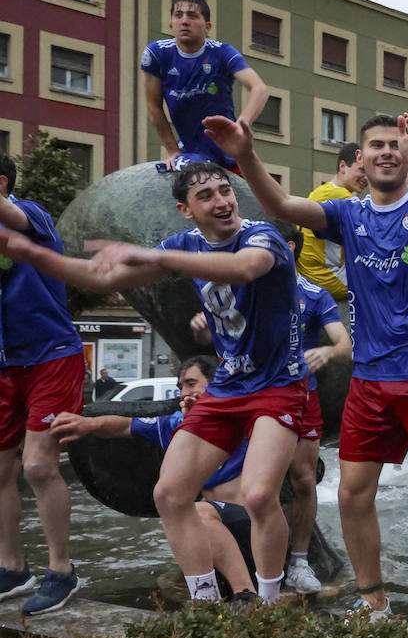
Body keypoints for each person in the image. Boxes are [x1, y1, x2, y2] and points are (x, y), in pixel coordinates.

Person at [208, 112, 408, 638]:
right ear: (359, 158)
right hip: (372, 378)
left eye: (394, 146)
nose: (385, 153)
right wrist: (245, 155)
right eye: (375, 146)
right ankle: (374, 600)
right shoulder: (347, 215)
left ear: (407, 155)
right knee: (353, 494)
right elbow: (282, 207)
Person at [0, 161, 306, 605]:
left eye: (225, 190)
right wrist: (37, 256)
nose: (222, 201)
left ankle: (271, 601)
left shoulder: (261, 235)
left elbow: (243, 268)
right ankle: (205, 601)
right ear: (186, 209)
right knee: (169, 492)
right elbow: (106, 278)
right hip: (228, 387)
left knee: (259, 495)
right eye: (207, 196)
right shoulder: (185, 243)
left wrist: (156, 256)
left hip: (278, 384)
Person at [190, 228, 352, 594]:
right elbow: (214, 335)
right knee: (246, 483)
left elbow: (345, 344)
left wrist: (327, 352)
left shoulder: (313, 293)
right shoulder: (242, 290)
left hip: (300, 396)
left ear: (289, 249)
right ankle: (243, 565)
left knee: (303, 480)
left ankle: (298, 561)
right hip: (247, 394)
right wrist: (201, 326)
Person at [50, 356, 260, 601]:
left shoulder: (241, 414)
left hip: (252, 527)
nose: (184, 392)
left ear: (216, 385)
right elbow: (122, 426)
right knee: (179, 512)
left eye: (192, 384)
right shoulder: (177, 426)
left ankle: (244, 595)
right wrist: (88, 424)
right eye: (180, 386)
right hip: (217, 530)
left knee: (194, 510)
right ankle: (208, 598)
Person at [0, 152, 87, 615]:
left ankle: (61, 571)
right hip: (4, 364)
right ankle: (13, 569)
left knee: (37, 466)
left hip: (53, 355)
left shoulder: (31, 214)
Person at [141, 0, 268, 172]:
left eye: (192, 16)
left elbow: (259, 89)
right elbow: (153, 106)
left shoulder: (222, 52)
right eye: (178, 15)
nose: (184, 21)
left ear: (207, 26)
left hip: (228, 149)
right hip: (191, 152)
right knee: (188, 185)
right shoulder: (157, 54)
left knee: (258, 196)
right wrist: (173, 151)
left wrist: (242, 124)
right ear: (172, 23)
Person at [298, 143, 368, 299]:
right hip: (329, 278)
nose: (367, 178)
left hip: (309, 275)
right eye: (362, 170)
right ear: (343, 166)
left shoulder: (321, 191)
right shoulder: (341, 196)